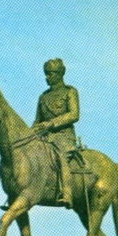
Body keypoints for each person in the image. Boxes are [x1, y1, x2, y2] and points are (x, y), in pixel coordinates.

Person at [32, 58, 79, 208]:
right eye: (45, 74)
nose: (47, 77)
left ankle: (67, 194)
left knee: (60, 156)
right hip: (45, 137)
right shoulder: (43, 97)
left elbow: (74, 114)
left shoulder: (70, 92)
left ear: (60, 74)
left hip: (64, 136)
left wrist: (51, 123)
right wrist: (30, 133)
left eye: (50, 74)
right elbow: (37, 121)